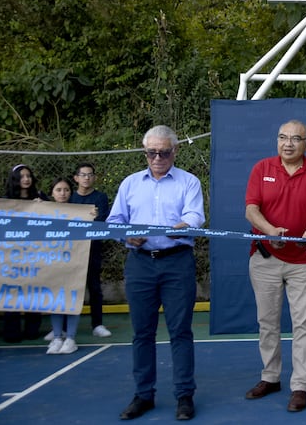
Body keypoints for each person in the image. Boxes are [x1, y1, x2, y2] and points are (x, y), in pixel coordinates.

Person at [107, 125, 205, 421]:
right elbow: (115, 221)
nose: (158, 157)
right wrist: (126, 236)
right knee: (142, 334)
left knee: (181, 332)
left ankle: (184, 396)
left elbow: (195, 217)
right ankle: (143, 395)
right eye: (152, 152)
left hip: (177, 262)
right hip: (139, 264)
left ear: (175, 150)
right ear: (144, 152)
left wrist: (182, 228)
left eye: (164, 152)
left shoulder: (189, 182)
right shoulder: (129, 184)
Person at [244, 120, 306, 413]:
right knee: (267, 322)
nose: (288, 143)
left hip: (303, 261)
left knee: (304, 324)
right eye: (282, 137)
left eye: (295, 138)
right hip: (264, 257)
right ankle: (270, 377)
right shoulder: (262, 169)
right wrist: (269, 230)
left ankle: (300, 386)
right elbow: (251, 209)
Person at [1, 164, 48, 343]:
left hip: (35, 253)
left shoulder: (40, 198)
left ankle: (32, 329)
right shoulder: (5, 201)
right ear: (15, 179)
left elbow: (56, 216)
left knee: (33, 290)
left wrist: (43, 207)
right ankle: (11, 331)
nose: (26, 179)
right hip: (12, 254)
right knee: (12, 292)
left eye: (28, 175)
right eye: (22, 176)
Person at [70, 162, 112, 338]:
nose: (86, 178)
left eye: (90, 174)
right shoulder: (70, 198)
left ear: (94, 177)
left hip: (92, 248)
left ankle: (97, 325)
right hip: (71, 250)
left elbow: (101, 221)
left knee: (94, 287)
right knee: (69, 288)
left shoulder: (101, 197)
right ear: (76, 178)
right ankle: (63, 328)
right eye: (83, 174)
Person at [45, 177, 81, 355]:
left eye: (66, 189)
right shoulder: (44, 211)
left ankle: (71, 338)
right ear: (52, 192)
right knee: (55, 301)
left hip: (74, 262)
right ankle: (57, 337)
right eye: (58, 190)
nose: (62, 193)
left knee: (71, 300)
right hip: (52, 262)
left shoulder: (79, 212)